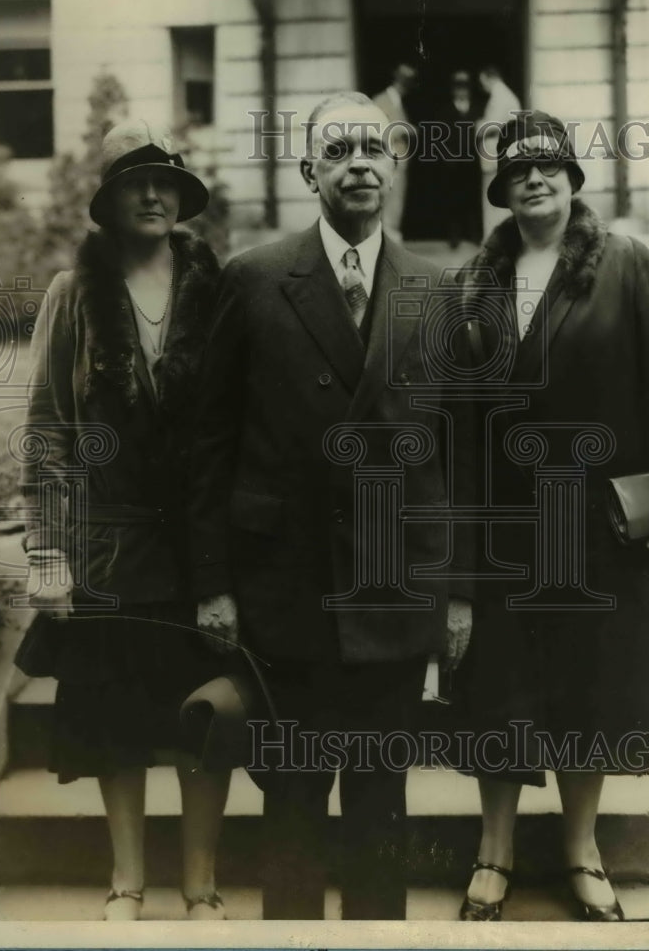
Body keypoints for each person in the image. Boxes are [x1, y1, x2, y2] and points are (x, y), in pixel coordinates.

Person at [191, 91, 476, 920]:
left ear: (395, 166)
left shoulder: (437, 288)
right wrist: (213, 582)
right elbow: (210, 441)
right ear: (308, 167)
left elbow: (460, 454)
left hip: (395, 590)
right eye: (339, 148)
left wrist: (460, 592)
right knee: (293, 804)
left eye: (374, 149)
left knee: (381, 804)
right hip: (286, 589)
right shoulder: (252, 280)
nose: (359, 162)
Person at [453, 110, 649, 922]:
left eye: (550, 166)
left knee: (589, 686)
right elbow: (454, 419)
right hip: (504, 524)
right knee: (500, 687)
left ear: (573, 178)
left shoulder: (625, 264)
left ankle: (582, 849)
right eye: (519, 170)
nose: (535, 179)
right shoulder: (473, 281)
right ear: (502, 189)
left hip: (595, 520)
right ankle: (495, 850)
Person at [15, 118, 233, 921]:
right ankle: (128, 881)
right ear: (105, 204)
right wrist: (46, 550)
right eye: (132, 184)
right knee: (119, 719)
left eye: (164, 181)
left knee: (203, 715)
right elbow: (46, 431)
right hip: (108, 546)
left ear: (181, 195)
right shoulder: (73, 295)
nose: (151, 195)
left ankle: (202, 884)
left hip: (200, 547)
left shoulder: (217, 287)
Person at [372, 62, 418, 242]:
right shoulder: (381, 101)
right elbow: (376, 130)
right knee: (390, 200)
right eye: (406, 81)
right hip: (388, 157)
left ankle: (390, 235)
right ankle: (388, 237)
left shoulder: (397, 102)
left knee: (396, 200)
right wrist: (404, 129)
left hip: (399, 158)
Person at [476, 65, 522, 238]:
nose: (483, 86)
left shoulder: (500, 97)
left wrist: (478, 126)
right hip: (497, 155)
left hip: (496, 155)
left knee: (493, 200)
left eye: (483, 82)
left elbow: (490, 126)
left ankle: (495, 239)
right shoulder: (503, 96)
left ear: (490, 78)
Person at [438, 70, 482, 247]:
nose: (461, 91)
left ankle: (474, 235)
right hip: (453, 163)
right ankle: (454, 236)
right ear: (453, 89)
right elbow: (439, 137)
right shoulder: (445, 110)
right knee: (453, 199)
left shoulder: (478, 109)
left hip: (472, 161)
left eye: (464, 87)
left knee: (473, 198)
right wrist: (446, 157)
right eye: (458, 87)